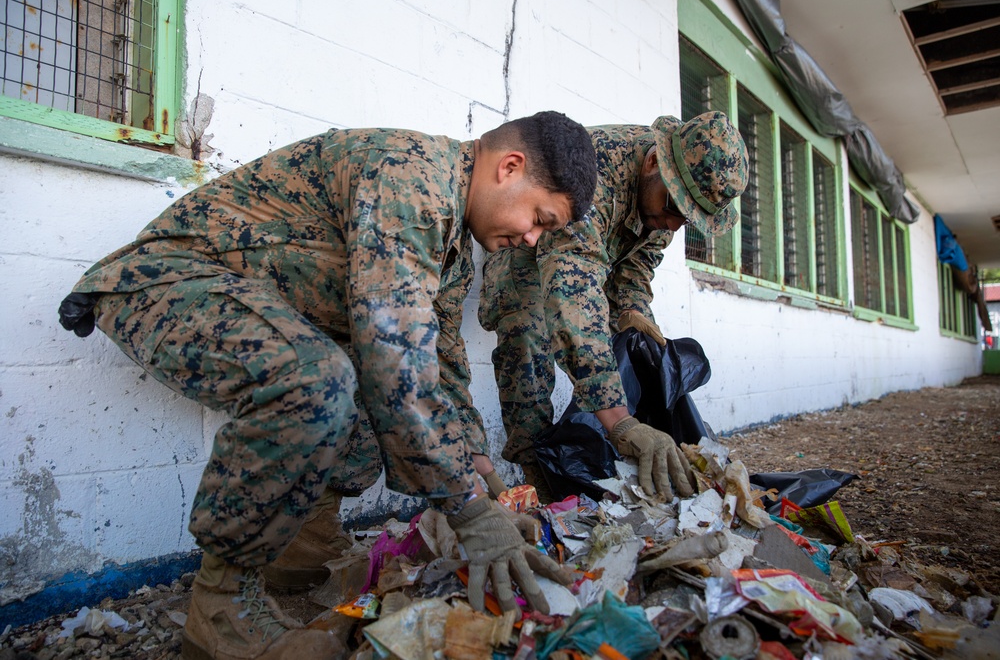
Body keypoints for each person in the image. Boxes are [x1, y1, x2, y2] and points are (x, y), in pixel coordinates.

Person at [58, 111, 598, 660]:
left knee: (360, 384)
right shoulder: (412, 177)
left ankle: (300, 549)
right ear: (510, 167)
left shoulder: (454, 243)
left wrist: (483, 480)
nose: (532, 239)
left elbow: (441, 362)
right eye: (540, 218)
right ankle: (220, 612)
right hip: (162, 281)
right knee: (317, 379)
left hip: (241, 296)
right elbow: (394, 353)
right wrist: (465, 508)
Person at [478, 111, 748, 503]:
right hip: (525, 252)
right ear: (654, 162)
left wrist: (632, 310)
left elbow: (637, 265)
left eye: (686, 218)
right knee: (528, 343)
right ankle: (537, 476)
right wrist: (618, 422)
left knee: (637, 348)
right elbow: (574, 291)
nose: (673, 225)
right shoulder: (598, 174)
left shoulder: (668, 196)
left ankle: (613, 465)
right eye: (674, 208)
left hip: (588, 263)